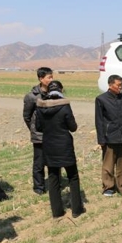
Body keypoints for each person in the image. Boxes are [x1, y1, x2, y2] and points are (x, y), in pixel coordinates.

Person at [36, 81, 85, 218]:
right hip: (64, 146)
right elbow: (73, 127)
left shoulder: (41, 106)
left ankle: (57, 212)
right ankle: (76, 209)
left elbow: (38, 127)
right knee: (73, 176)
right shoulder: (64, 106)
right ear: (61, 90)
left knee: (53, 177)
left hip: (49, 146)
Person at [95, 75, 122, 197]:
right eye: (118, 85)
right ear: (110, 85)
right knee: (108, 164)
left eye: (121, 85)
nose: (120, 87)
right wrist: (101, 139)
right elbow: (99, 121)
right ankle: (108, 187)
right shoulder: (101, 99)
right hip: (109, 137)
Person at [23, 67, 54, 195]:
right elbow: (27, 116)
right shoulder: (31, 96)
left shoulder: (54, 94)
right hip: (39, 135)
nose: (52, 80)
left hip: (53, 134)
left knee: (53, 161)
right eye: (49, 77)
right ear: (41, 79)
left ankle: (54, 185)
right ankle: (39, 187)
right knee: (39, 163)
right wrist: (34, 129)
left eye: (52, 77)